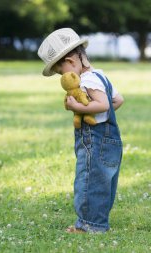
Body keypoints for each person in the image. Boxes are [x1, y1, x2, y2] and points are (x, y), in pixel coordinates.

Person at [37, 28, 124, 233]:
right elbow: (117, 101)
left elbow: (102, 104)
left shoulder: (87, 80)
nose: (63, 77)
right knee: (103, 183)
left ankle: (89, 225)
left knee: (88, 180)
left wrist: (78, 108)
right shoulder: (100, 75)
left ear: (71, 62)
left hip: (94, 140)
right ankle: (97, 221)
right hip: (110, 139)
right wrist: (98, 111)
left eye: (61, 72)